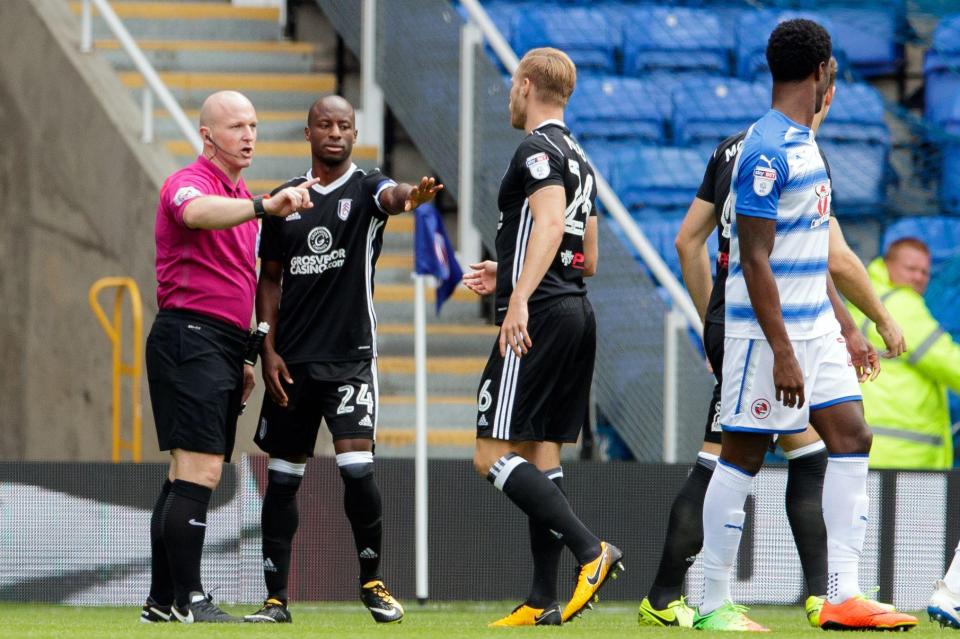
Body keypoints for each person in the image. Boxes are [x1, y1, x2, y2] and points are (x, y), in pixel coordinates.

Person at [642, 58, 907, 630]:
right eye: (834, 77)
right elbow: (759, 257)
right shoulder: (767, 151)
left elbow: (701, 243)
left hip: (798, 325)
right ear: (822, 77)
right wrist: (751, 337)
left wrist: (844, 327)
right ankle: (700, 599)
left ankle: (840, 592)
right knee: (734, 458)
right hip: (763, 332)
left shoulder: (771, 148)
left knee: (846, 437)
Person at [242, 95, 442, 625]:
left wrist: (411, 197)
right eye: (326, 125)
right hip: (291, 363)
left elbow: (394, 197)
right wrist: (266, 348)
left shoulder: (367, 186)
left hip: (350, 359)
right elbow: (269, 280)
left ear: (355, 135)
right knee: (283, 479)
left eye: (345, 126)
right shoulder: (286, 200)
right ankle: (275, 599)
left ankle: (373, 582)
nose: (335, 132)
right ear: (308, 132)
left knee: (358, 470)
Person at [141, 91, 321, 624]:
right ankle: (191, 599)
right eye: (236, 125)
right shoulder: (191, 183)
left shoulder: (241, 200)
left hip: (220, 343)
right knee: (198, 472)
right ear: (207, 135)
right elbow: (196, 214)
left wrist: (246, 355)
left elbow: (239, 285)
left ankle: (160, 601)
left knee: (184, 476)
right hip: (188, 336)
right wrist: (266, 205)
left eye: (254, 125)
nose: (248, 135)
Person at [462, 47, 620, 628]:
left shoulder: (535, 150)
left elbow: (551, 224)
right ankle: (540, 597)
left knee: (489, 454)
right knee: (541, 453)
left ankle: (590, 549)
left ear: (526, 86)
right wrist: (504, 273)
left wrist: (519, 297)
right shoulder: (581, 158)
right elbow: (588, 255)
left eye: (512, 86)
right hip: (575, 308)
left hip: (541, 314)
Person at [848, 238, 960, 469]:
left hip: (864, 446)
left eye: (925, 272)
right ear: (886, 264)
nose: (918, 277)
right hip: (902, 456)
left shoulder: (860, 300)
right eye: (910, 269)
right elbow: (949, 362)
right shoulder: (900, 304)